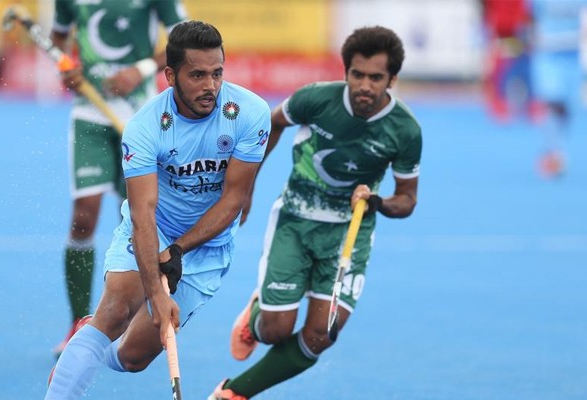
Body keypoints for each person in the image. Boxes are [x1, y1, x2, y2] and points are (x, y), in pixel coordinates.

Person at [45, 20, 272, 399]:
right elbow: (142, 214)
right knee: (115, 312)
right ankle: (83, 353)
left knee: (133, 358)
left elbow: (233, 201)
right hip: (154, 228)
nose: (210, 86)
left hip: (207, 246)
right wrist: (156, 290)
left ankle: (90, 347)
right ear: (170, 76)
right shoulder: (145, 127)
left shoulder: (249, 113)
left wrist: (178, 251)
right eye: (197, 75)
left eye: (217, 73)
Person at [209, 25, 422, 400]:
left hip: (349, 234)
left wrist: (377, 202)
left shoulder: (405, 130)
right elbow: (273, 123)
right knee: (274, 330)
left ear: (392, 79)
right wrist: (245, 189)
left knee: (321, 334)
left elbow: (407, 199)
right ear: (346, 71)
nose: (365, 86)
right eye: (357, 75)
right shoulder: (317, 99)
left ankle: (234, 393)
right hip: (295, 221)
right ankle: (257, 316)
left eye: (375, 78)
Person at [49, 0, 189, 357]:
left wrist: (140, 70)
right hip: (90, 114)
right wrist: (66, 66)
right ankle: (78, 322)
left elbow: (183, 41)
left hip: (140, 116)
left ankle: (130, 317)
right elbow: (58, 38)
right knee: (84, 216)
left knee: (138, 216)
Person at [527, 0, 587, 178]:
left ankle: (556, 145)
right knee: (552, 101)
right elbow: (529, 15)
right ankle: (553, 152)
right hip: (548, 53)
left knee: (565, 107)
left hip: (572, 53)